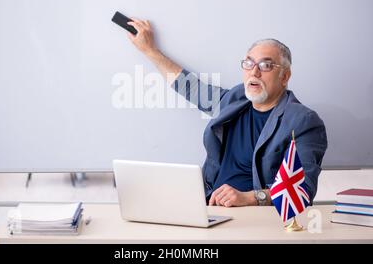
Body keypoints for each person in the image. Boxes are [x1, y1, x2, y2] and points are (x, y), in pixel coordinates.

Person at [126, 19, 328, 207]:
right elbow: (191, 87)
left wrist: (249, 197)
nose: (254, 72)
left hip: (256, 218)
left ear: (284, 76)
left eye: (266, 65)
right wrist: (150, 50)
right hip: (210, 207)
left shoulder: (303, 121)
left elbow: (302, 191)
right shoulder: (235, 99)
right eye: (249, 63)